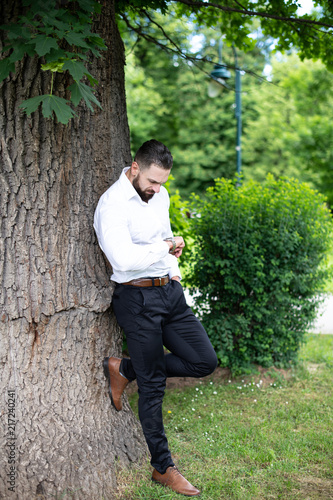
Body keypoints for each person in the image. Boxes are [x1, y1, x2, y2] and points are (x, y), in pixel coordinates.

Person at [94, 139, 217, 497]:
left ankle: (126, 370)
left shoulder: (157, 196)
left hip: (169, 291)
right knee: (153, 388)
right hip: (136, 298)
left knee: (203, 360)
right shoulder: (112, 204)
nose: (157, 189)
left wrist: (173, 265)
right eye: (152, 181)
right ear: (135, 168)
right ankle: (162, 467)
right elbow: (123, 259)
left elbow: (164, 236)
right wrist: (164, 247)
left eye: (162, 182)